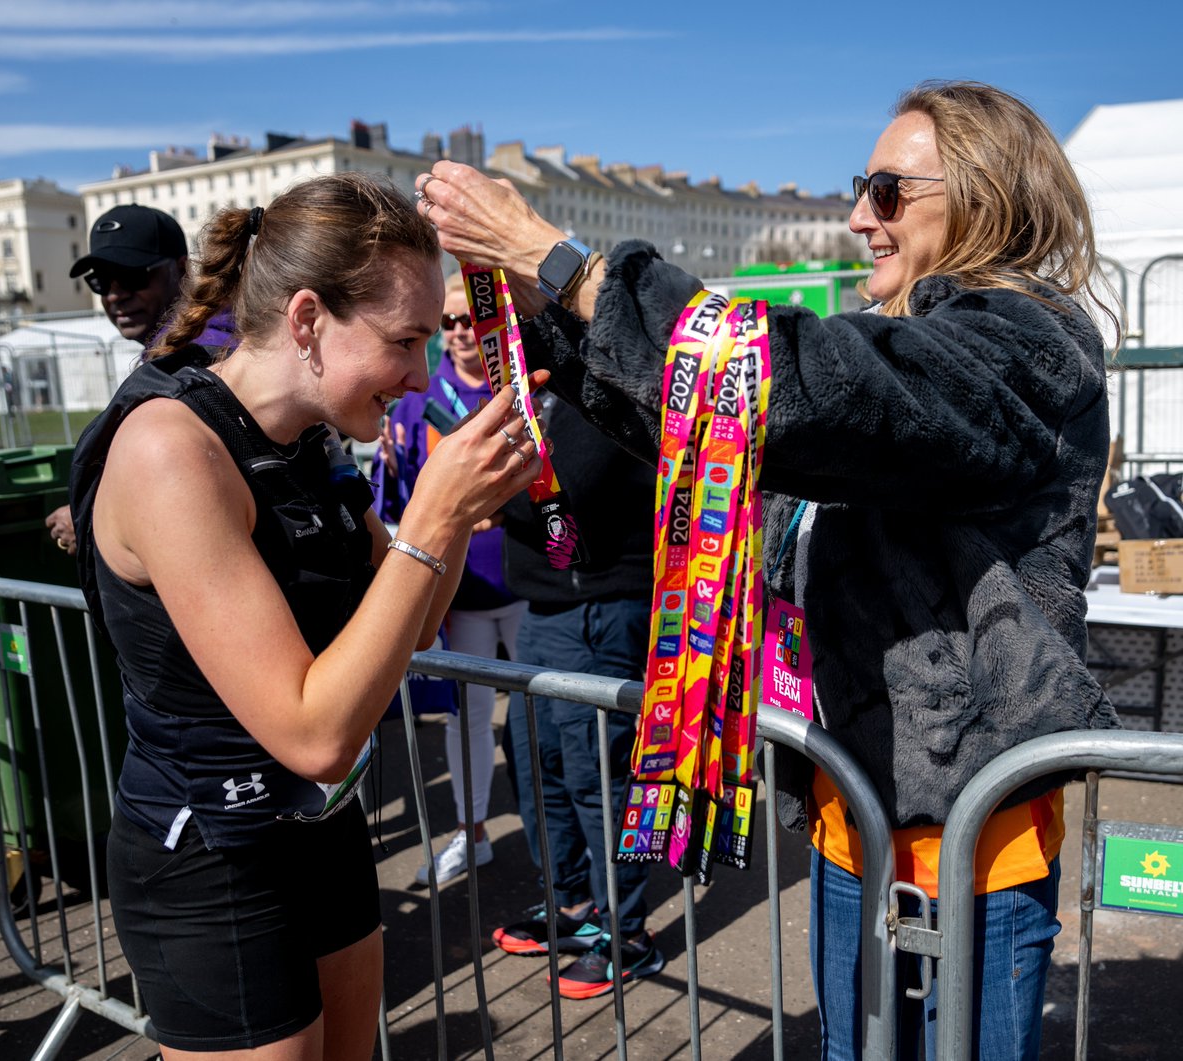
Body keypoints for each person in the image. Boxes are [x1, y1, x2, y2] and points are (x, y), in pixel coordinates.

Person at [416, 80, 1122, 1059]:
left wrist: (568, 264)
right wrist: (560, 331)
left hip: (974, 845)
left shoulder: (1025, 346)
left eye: (885, 189)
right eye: (858, 187)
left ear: (983, 194)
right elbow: (716, 423)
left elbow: (807, 392)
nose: (856, 216)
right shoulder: (926, 341)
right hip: (855, 812)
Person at [68, 174, 545, 1060]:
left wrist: (467, 512)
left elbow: (403, 623)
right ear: (306, 321)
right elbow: (313, 731)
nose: (420, 374)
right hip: (210, 851)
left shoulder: (309, 436)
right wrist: (432, 519)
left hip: (319, 828)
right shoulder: (172, 449)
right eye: (404, 340)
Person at [494, 394, 664, 999]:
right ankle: (571, 908)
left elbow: (566, 500)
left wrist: (482, 488)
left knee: (598, 776)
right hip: (546, 608)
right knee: (537, 763)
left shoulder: (594, 390)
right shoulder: (526, 390)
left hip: (599, 608)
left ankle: (628, 936)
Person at [373, 273, 527, 884]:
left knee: (543, 717)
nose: (463, 333)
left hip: (522, 587)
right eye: (451, 324)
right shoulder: (413, 401)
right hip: (457, 594)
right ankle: (473, 833)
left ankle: (553, 836)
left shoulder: (518, 391)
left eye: (472, 320)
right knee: (467, 720)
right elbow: (405, 497)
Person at [48, 205, 235, 555]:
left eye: (133, 276)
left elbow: (203, 489)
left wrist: (92, 520)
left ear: (181, 269)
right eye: (100, 281)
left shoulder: (201, 355)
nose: (115, 295)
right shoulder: (187, 346)